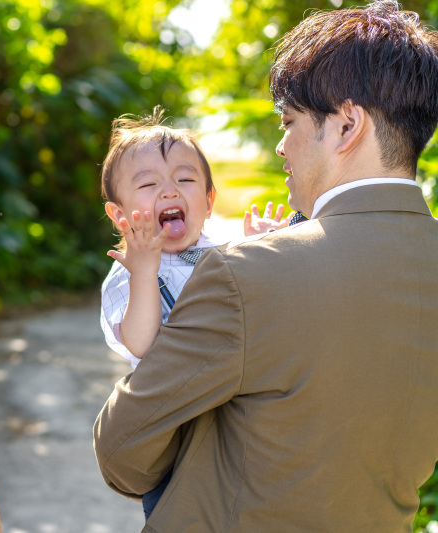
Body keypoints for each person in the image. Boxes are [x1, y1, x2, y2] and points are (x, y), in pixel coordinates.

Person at [93, 1, 438, 531]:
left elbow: (122, 450)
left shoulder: (246, 273)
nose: (281, 145)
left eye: (290, 121)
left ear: (347, 125)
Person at [99, 108, 295, 518]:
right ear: (119, 215)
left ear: (207, 202)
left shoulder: (226, 247)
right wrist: (145, 271)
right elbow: (141, 343)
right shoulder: (126, 273)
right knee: (179, 509)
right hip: (174, 416)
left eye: (185, 180)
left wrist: (265, 249)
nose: (170, 191)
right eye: (149, 183)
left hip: (236, 410)